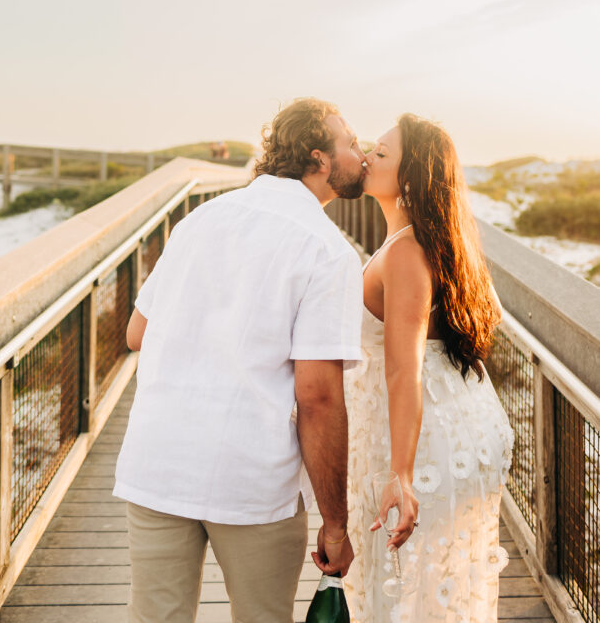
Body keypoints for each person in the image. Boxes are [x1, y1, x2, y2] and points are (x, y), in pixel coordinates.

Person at [114, 98, 368, 623]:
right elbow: (318, 397)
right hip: (249, 476)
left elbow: (137, 332)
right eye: (352, 144)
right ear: (319, 159)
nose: (361, 155)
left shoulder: (201, 218)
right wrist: (336, 523)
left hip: (157, 462)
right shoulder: (328, 251)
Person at [344, 114, 514, 623]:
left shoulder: (406, 251)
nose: (368, 156)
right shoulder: (428, 241)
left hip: (424, 438)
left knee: (412, 584)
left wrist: (401, 473)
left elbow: (403, 368)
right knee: (436, 582)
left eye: (381, 152)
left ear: (410, 177)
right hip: (454, 414)